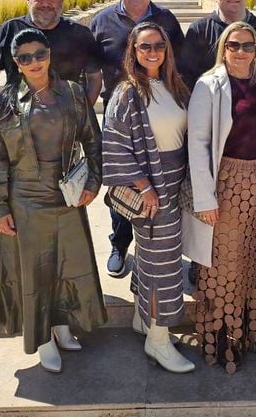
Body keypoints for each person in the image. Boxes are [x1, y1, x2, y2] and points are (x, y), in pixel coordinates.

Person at [0, 28, 107, 373]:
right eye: (25, 58)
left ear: (50, 54)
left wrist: (94, 182)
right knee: (37, 271)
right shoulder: (6, 101)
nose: (34, 62)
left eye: (40, 54)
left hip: (66, 195)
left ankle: (63, 324)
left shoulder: (72, 93)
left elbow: (92, 141)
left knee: (69, 263)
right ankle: (43, 338)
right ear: (16, 63)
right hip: (25, 199)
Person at [185, 22, 256, 374]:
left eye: (247, 46)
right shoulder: (209, 86)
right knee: (224, 266)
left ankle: (250, 333)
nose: (240, 52)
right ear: (224, 47)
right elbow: (199, 145)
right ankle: (221, 341)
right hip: (227, 186)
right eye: (233, 45)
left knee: (252, 263)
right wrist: (205, 200)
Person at [101, 22, 195, 373]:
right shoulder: (127, 92)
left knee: (151, 257)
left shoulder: (174, 86)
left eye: (158, 45)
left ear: (167, 49)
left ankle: (143, 320)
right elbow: (114, 144)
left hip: (174, 183)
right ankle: (159, 339)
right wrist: (145, 187)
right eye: (144, 47)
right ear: (134, 51)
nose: (152, 51)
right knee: (165, 265)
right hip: (150, 190)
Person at [180, 0, 256, 284]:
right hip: (219, 154)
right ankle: (204, 271)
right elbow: (186, 78)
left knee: (252, 231)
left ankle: (254, 273)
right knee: (216, 236)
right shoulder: (199, 31)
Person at [91, 0, 184, 278]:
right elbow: (91, 70)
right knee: (123, 182)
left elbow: (178, 63)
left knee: (160, 183)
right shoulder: (102, 20)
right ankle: (120, 244)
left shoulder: (166, 20)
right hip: (119, 110)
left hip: (159, 105)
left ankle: (156, 249)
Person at [0, 0, 102, 153]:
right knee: (10, 178)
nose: (45, 4)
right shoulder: (10, 29)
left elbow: (95, 78)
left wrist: (80, 116)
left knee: (66, 179)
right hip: (15, 126)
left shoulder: (80, 34)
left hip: (64, 129)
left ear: (61, 0)